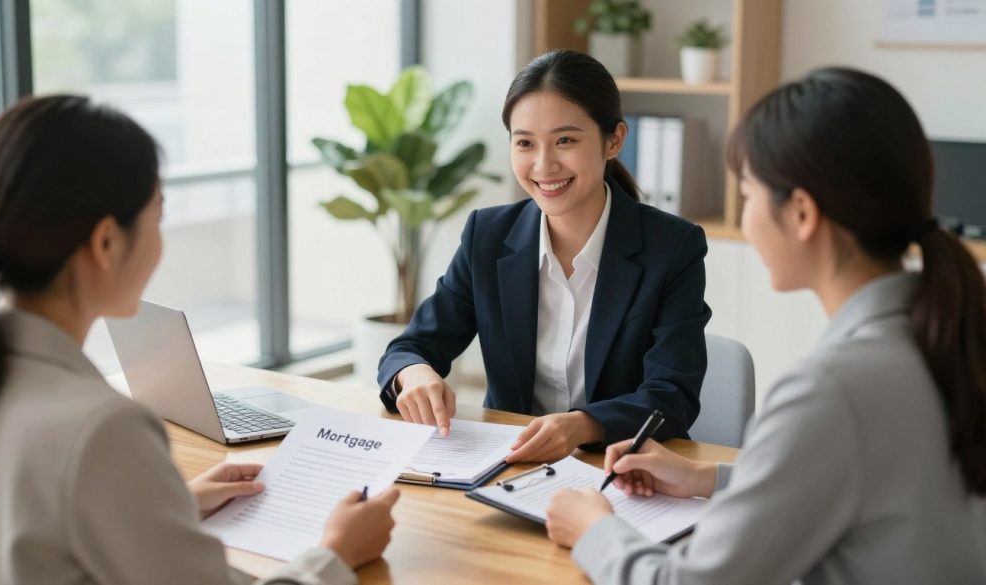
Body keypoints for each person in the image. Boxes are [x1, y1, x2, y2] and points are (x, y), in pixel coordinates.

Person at [544, 67, 986, 584]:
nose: (746, 217)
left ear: (801, 213)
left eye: (749, 194)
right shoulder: (943, 336)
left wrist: (595, 529)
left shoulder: (832, 391)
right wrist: (711, 478)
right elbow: (866, 485)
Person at [0, 95, 400, 585]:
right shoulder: (102, 429)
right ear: (107, 243)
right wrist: (337, 552)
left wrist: (165, 507)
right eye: (159, 213)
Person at [377, 49, 711, 462]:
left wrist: (583, 424)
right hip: (508, 467)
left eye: (565, 140)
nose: (543, 164)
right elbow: (410, 347)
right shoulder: (488, 236)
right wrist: (414, 374)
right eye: (525, 143)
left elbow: (672, 396)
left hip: (618, 468)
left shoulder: (672, 247)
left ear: (614, 141)